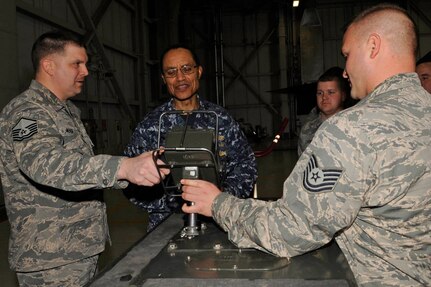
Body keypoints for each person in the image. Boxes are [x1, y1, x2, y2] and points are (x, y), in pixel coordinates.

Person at [180, 4, 430, 286]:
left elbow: (293, 228)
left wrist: (217, 204)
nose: (345, 71)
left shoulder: (353, 129)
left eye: (347, 55)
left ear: (373, 46)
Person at [0, 30, 169, 286]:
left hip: (77, 250)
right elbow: (44, 164)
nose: (86, 71)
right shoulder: (28, 111)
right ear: (48, 65)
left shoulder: (66, 111)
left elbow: (80, 170)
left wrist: (132, 173)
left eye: (85, 63)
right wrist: (122, 167)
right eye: (76, 63)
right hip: (50, 259)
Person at [123, 44, 257, 231]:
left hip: (218, 221)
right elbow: (129, 179)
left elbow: (245, 164)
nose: (180, 78)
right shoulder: (150, 126)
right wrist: (173, 203)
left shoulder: (221, 119)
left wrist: (220, 199)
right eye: (171, 72)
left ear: (199, 72)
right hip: (166, 226)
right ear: (163, 79)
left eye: (187, 69)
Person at [297, 66, 351, 155]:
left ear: (343, 96)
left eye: (331, 92)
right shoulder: (308, 129)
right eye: (320, 93)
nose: (324, 97)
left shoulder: (353, 125)